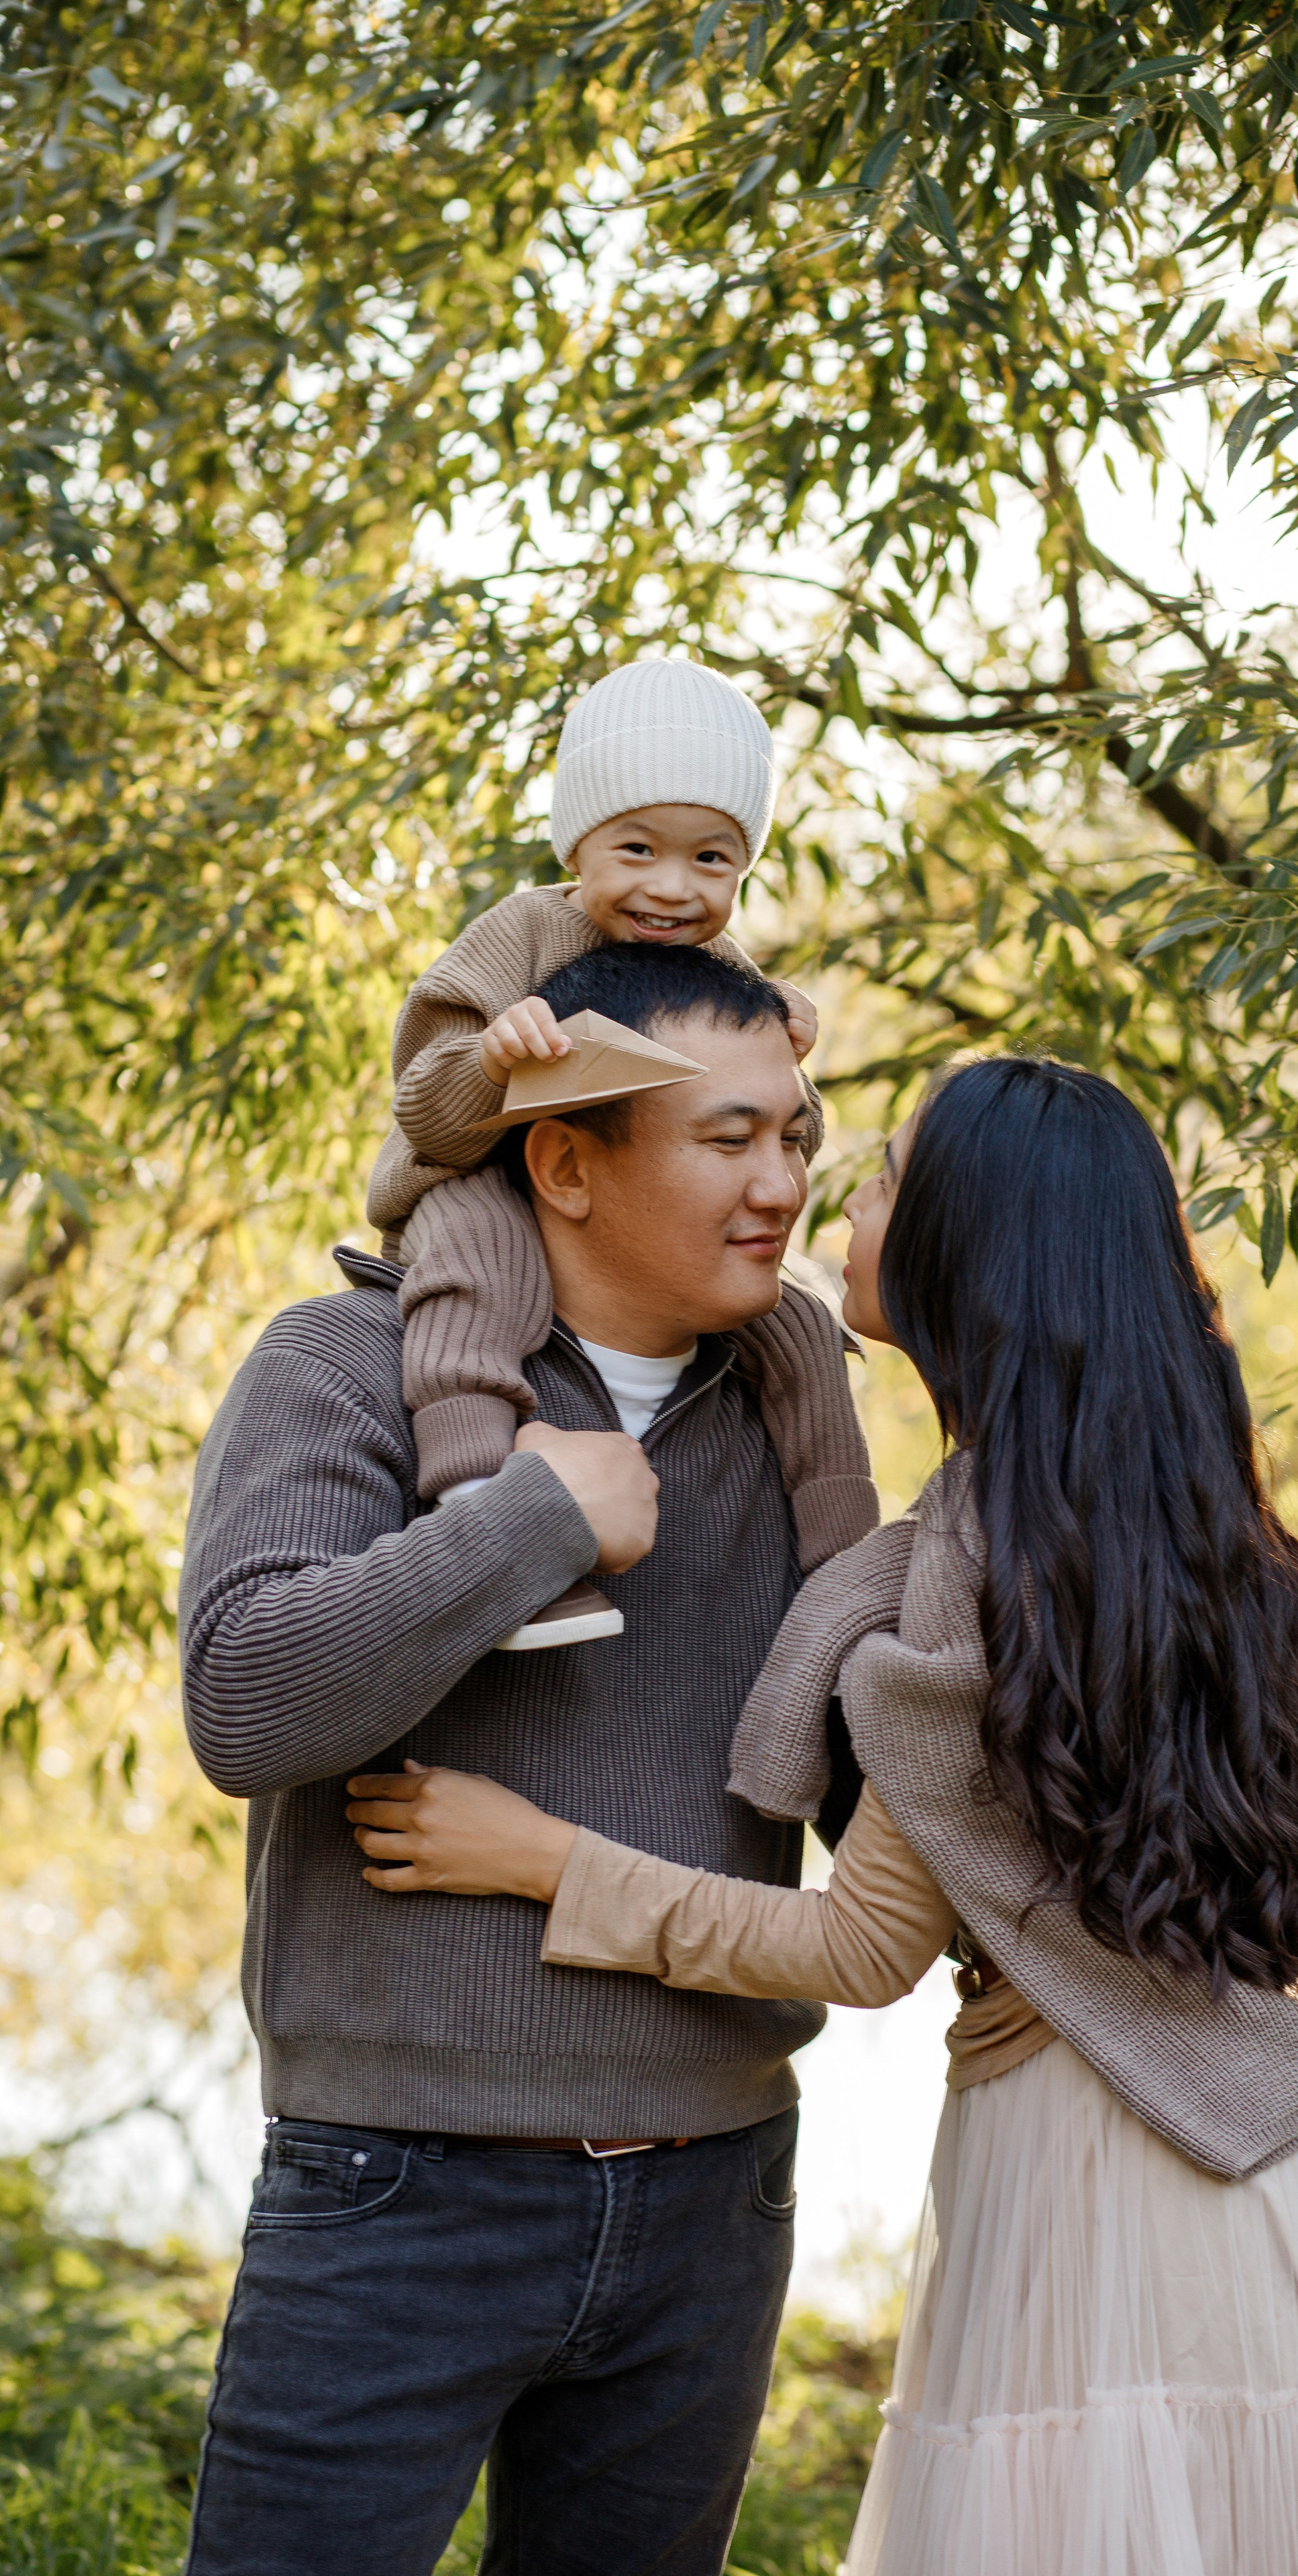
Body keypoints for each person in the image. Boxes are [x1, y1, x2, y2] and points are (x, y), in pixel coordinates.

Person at [347, 1059, 1298, 2576]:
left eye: (883, 1177)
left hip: (1099, 2181)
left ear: (971, 1248)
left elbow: (862, 1946)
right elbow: (1172, 1836)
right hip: (1269, 2189)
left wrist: (540, 1857)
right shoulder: (1174, 1511)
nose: (834, 1199)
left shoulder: (975, 1553)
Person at [178, 944, 872, 2576]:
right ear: (563, 1162)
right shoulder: (337, 1367)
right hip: (397, 2188)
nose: (779, 1185)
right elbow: (247, 1706)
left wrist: (1199, 1950)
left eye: (794, 1136)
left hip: (714, 2196)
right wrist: (533, 1520)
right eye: (727, 1139)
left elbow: (887, 1788)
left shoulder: (788, 1417)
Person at [368, 655, 876, 1624]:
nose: (673, 889)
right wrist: (491, 1059)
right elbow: (423, 1108)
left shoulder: (720, 968)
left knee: (806, 1326)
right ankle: (477, 1497)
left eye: (712, 860)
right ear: (578, 842)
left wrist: (784, 1063)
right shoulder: (519, 936)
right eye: (638, 849)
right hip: (474, 1175)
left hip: (629, 1221)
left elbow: (780, 1128)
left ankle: (847, 1577)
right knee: (482, 1272)